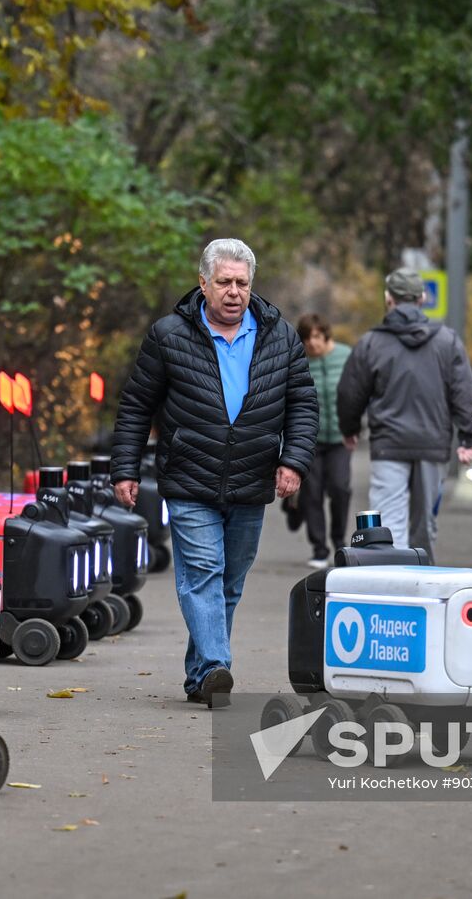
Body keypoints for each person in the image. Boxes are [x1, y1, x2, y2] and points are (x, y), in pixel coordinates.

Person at [110, 238, 318, 708]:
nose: (233, 291)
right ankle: (218, 665)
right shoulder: (168, 335)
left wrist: (293, 460)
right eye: (223, 281)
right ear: (202, 283)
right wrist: (124, 467)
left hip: (251, 476)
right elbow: (136, 405)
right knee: (203, 572)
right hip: (189, 476)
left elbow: (303, 403)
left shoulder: (279, 336)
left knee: (229, 582)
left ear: (252, 285)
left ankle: (201, 674)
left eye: (242, 283)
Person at [336, 268, 472, 561]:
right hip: (433, 443)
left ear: (388, 299)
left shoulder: (371, 343)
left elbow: (350, 392)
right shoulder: (447, 341)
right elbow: (463, 391)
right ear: (422, 298)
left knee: (389, 521)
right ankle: (422, 580)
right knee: (425, 521)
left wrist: (349, 428)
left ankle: (394, 585)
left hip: (388, 444)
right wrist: (467, 437)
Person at [295, 312, 353, 568]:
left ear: (325, 334)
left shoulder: (346, 356)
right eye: (307, 339)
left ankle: (339, 541)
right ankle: (319, 548)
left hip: (340, 437)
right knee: (312, 493)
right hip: (311, 440)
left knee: (340, 489)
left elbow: (359, 390)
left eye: (316, 337)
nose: (312, 344)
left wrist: (356, 424)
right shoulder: (300, 360)